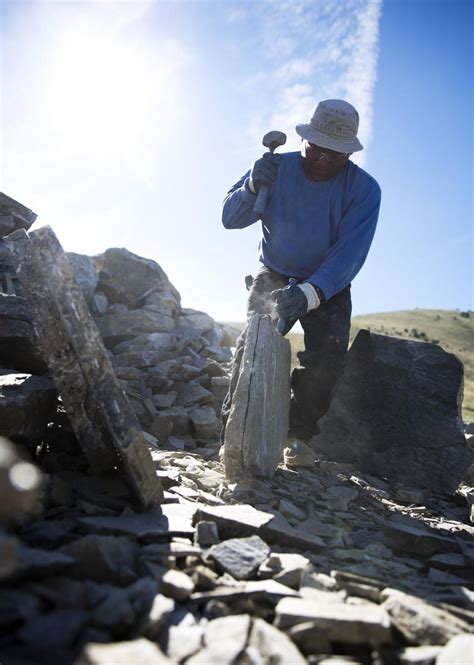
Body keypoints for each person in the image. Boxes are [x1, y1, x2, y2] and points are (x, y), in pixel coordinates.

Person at [221, 99, 381, 466]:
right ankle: (234, 427)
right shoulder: (275, 168)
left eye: (336, 154)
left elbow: (350, 253)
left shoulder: (364, 190)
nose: (324, 159)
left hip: (328, 282)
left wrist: (310, 293)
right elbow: (230, 219)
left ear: (350, 153)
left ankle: (297, 437)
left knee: (326, 359)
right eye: (317, 149)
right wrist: (250, 186)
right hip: (273, 271)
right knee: (253, 346)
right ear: (304, 139)